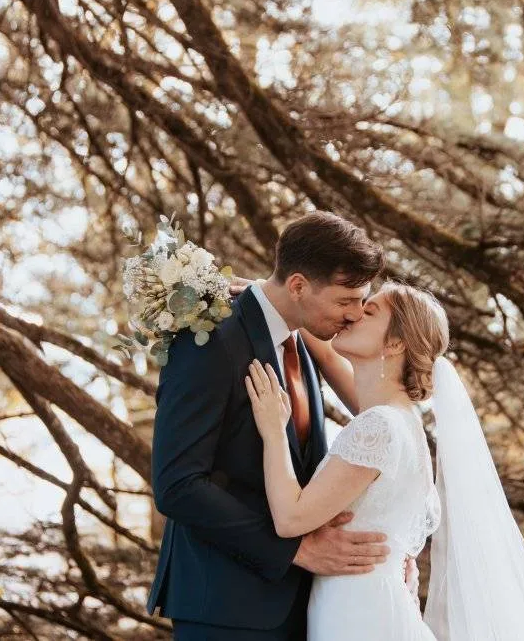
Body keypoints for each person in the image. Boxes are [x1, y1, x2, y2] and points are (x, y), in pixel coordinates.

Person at [244, 281, 524, 640]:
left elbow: (291, 519)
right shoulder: (400, 421)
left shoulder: (380, 426)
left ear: (396, 343)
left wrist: (275, 431)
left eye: (370, 311)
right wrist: (271, 297)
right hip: (364, 605)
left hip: (359, 617)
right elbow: (327, 355)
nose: (353, 314)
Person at [147, 211, 402, 641]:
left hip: (303, 604)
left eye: (362, 301)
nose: (355, 315)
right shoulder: (209, 340)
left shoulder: (301, 338)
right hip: (226, 607)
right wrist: (296, 550)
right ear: (298, 286)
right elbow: (178, 484)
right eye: (345, 301)